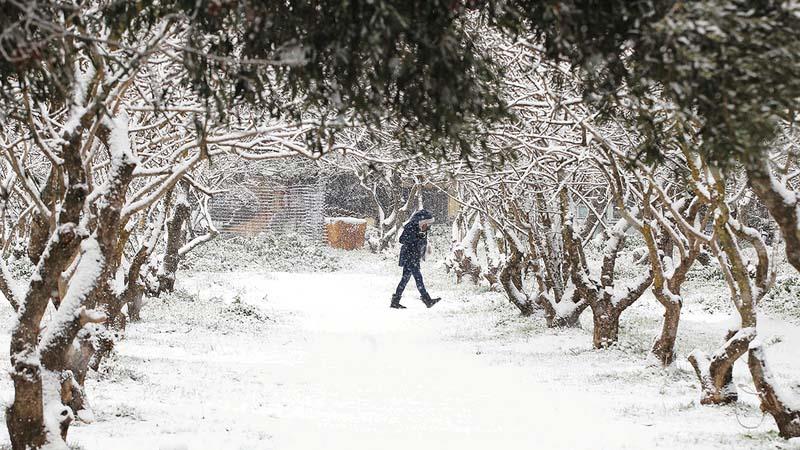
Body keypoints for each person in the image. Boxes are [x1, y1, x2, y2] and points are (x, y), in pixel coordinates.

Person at [390, 209, 441, 309]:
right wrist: (416, 237)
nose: (429, 227)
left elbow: (421, 243)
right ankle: (427, 300)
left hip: (413, 256)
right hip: (409, 256)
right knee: (418, 278)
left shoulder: (422, 229)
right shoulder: (411, 227)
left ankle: (395, 301)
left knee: (405, 279)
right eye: (428, 224)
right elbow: (402, 239)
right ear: (423, 222)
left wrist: (425, 249)